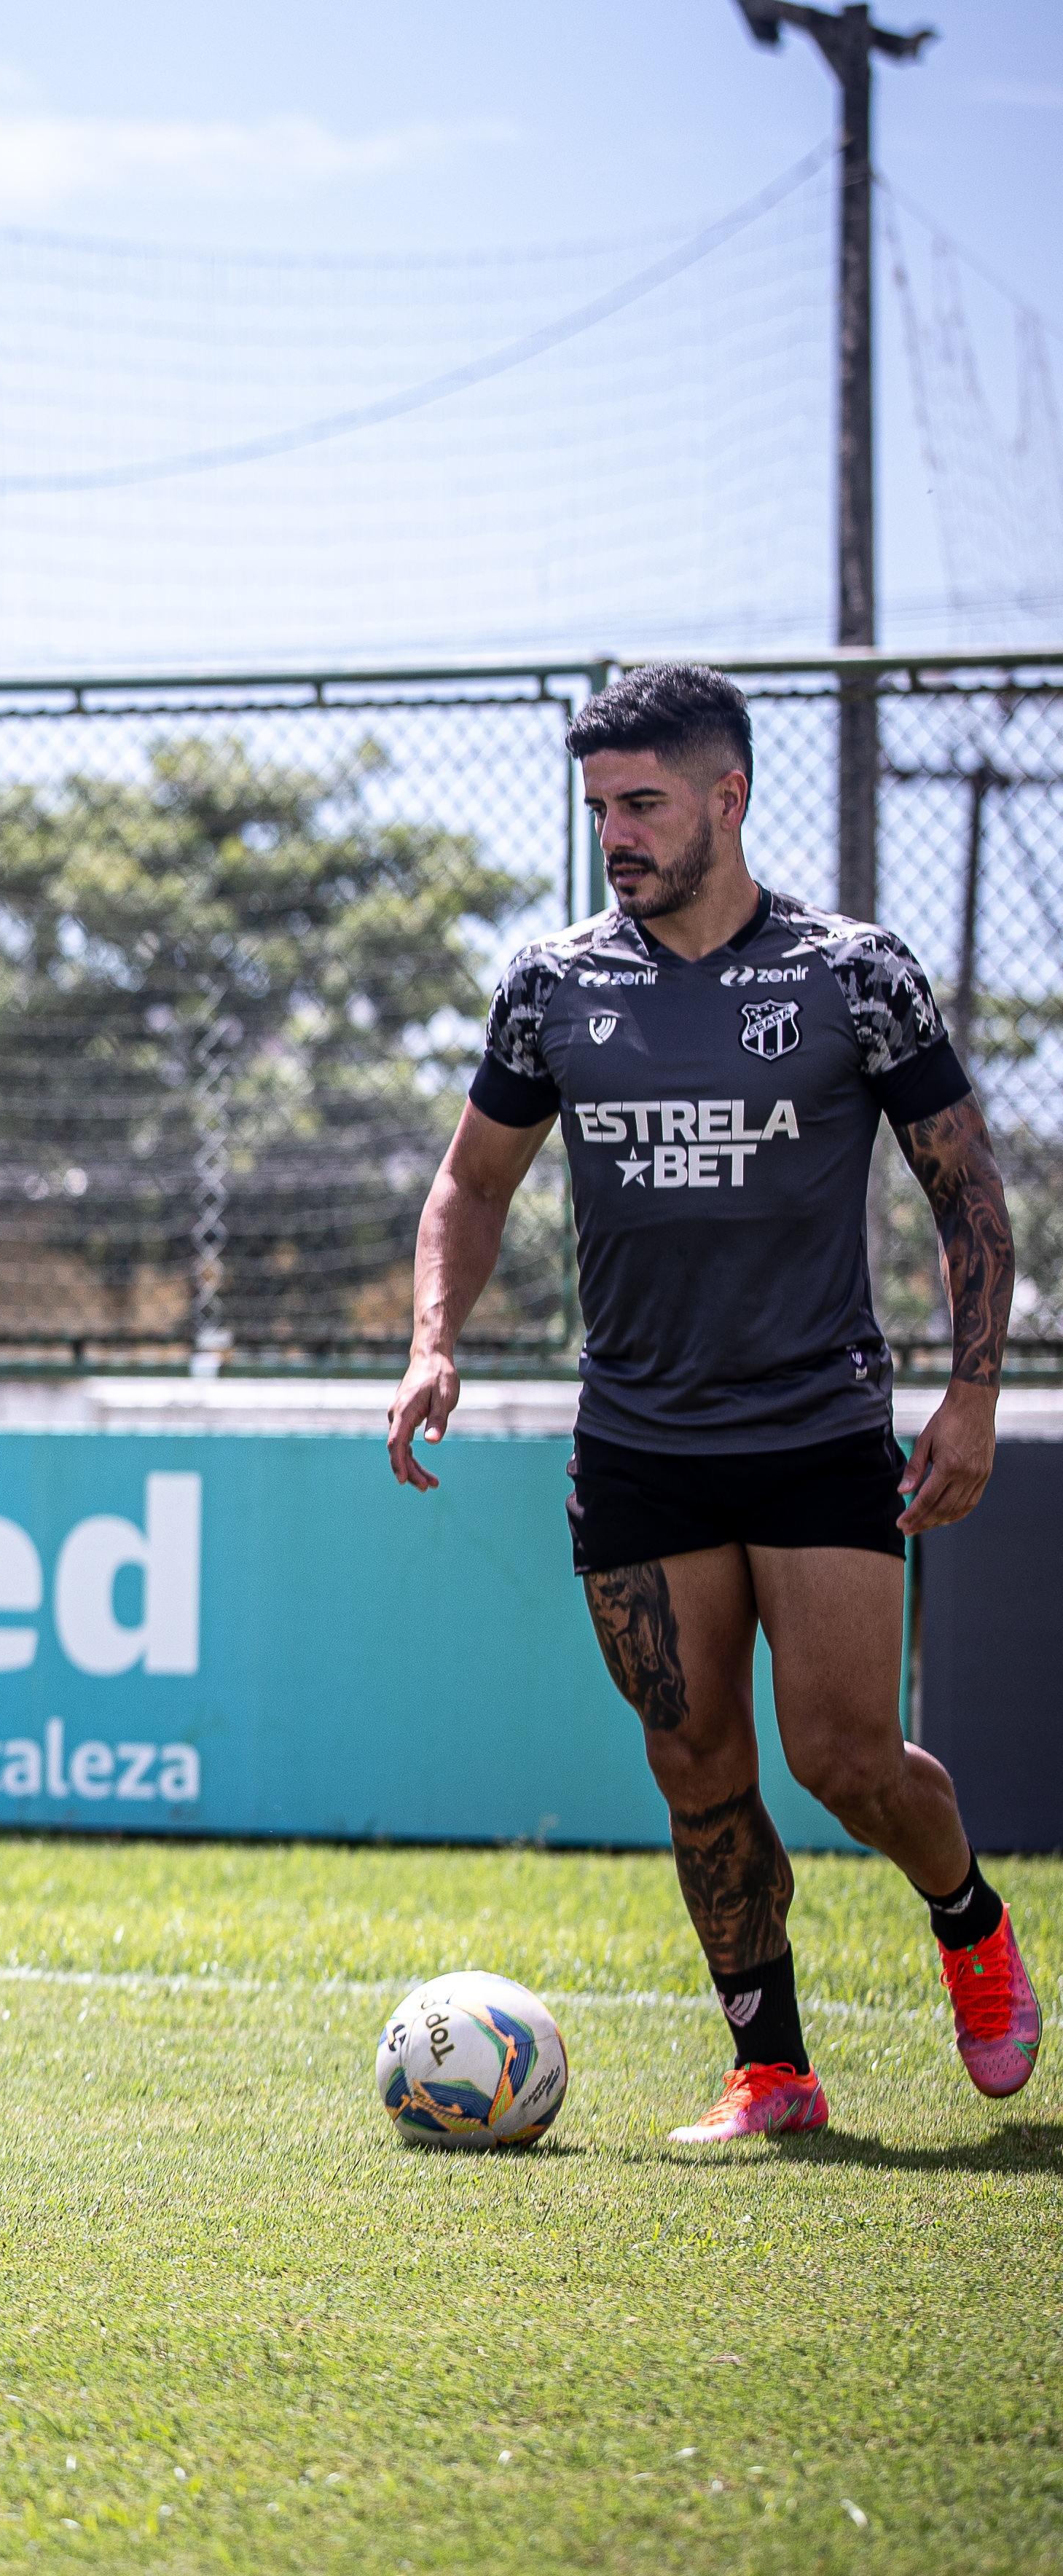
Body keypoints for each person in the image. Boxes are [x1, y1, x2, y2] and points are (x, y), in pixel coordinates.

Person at [391, 663, 1035, 2140]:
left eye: (643, 803)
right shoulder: (552, 985)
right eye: (599, 806)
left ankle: (970, 1923)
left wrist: (974, 1397)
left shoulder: (853, 975)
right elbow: (471, 1182)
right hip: (636, 1446)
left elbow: (967, 1189)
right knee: (696, 1761)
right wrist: (436, 1339)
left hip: (817, 1432)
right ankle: (774, 2069)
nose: (614, 833)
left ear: (725, 797)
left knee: (844, 1758)